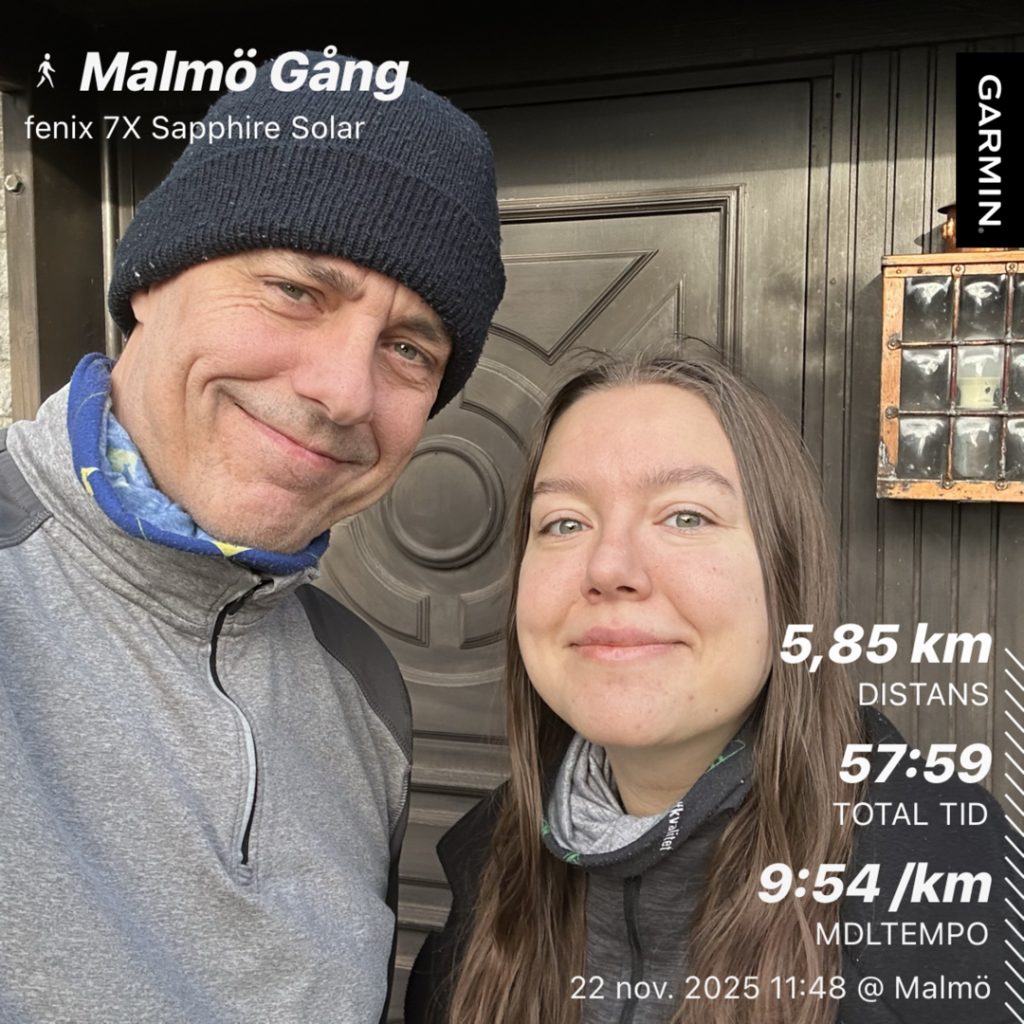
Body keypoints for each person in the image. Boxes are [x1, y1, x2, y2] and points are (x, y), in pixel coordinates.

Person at [0, 52, 504, 1023]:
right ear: (150, 280)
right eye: (295, 291)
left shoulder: (363, 686)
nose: (343, 391)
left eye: (409, 348)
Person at [405, 355, 1010, 1024]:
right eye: (564, 523)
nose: (608, 567)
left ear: (786, 578)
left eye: (686, 517)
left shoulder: (950, 896)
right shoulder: (487, 867)